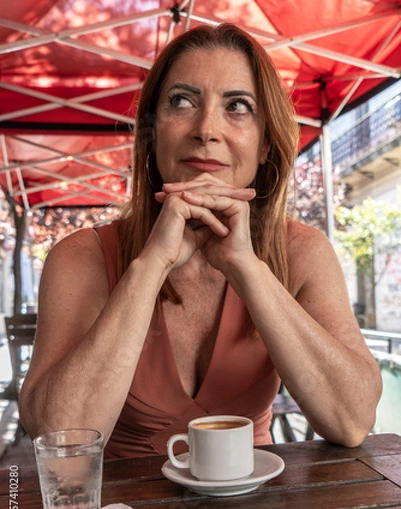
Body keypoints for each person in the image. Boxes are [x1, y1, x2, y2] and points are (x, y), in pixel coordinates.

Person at [19, 23, 382, 457]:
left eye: (238, 106)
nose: (206, 129)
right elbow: (57, 435)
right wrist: (152, 264)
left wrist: (247, 267)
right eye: (182, 101)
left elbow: (352, 419)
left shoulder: (302, 252)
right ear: (152, 136)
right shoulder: (81, 257)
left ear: (265, 142)